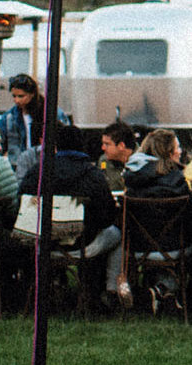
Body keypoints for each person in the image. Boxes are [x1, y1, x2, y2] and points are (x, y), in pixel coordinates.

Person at [17, 122, 121, 305]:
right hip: (83, 246)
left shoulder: (38, 172)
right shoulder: (93, 175)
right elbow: (107, 217)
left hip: (43, 244)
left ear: (56, 146)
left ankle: (46, 287)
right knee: (118, 234)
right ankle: (111, 291)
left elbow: (21, 203)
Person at [0, 74, 70, 171]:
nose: (16, 100)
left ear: (32, 94)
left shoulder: (53, 113)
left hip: (47, 168)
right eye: (14, 96)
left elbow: (67, 139)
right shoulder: (8, 118)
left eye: (21, 96)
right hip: (19, 168)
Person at [125, 128, 190, 199]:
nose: (180, 151)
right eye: (177, 147)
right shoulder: (178, 183)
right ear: (169, 153)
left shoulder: (132, 183)